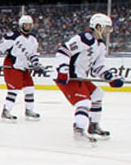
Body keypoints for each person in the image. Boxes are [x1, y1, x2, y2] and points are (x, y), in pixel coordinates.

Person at [53, 13, 124, 142]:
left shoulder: (100, 45)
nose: (109, 31)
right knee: (84, 102)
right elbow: (63, 51)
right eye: (107, 27)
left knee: (97, 94)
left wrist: (110, 77)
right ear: (98, 26)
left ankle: (93, 126)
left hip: (80, 78)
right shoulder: (84, 38)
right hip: (69, 78)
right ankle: (79, 130)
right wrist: (63, 70)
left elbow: (97, 67)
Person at [0, 14, 45, 122]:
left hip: (24, 67)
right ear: (21, 25)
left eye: (29, 25)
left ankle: (29, 110)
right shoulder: (13, 36)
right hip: (12, 66)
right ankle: (6, 111)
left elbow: (33, 55)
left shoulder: (33, 39)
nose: (27, 27)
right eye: (25, 25)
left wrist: (36, 64)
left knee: (30, 88)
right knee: (14, 89)